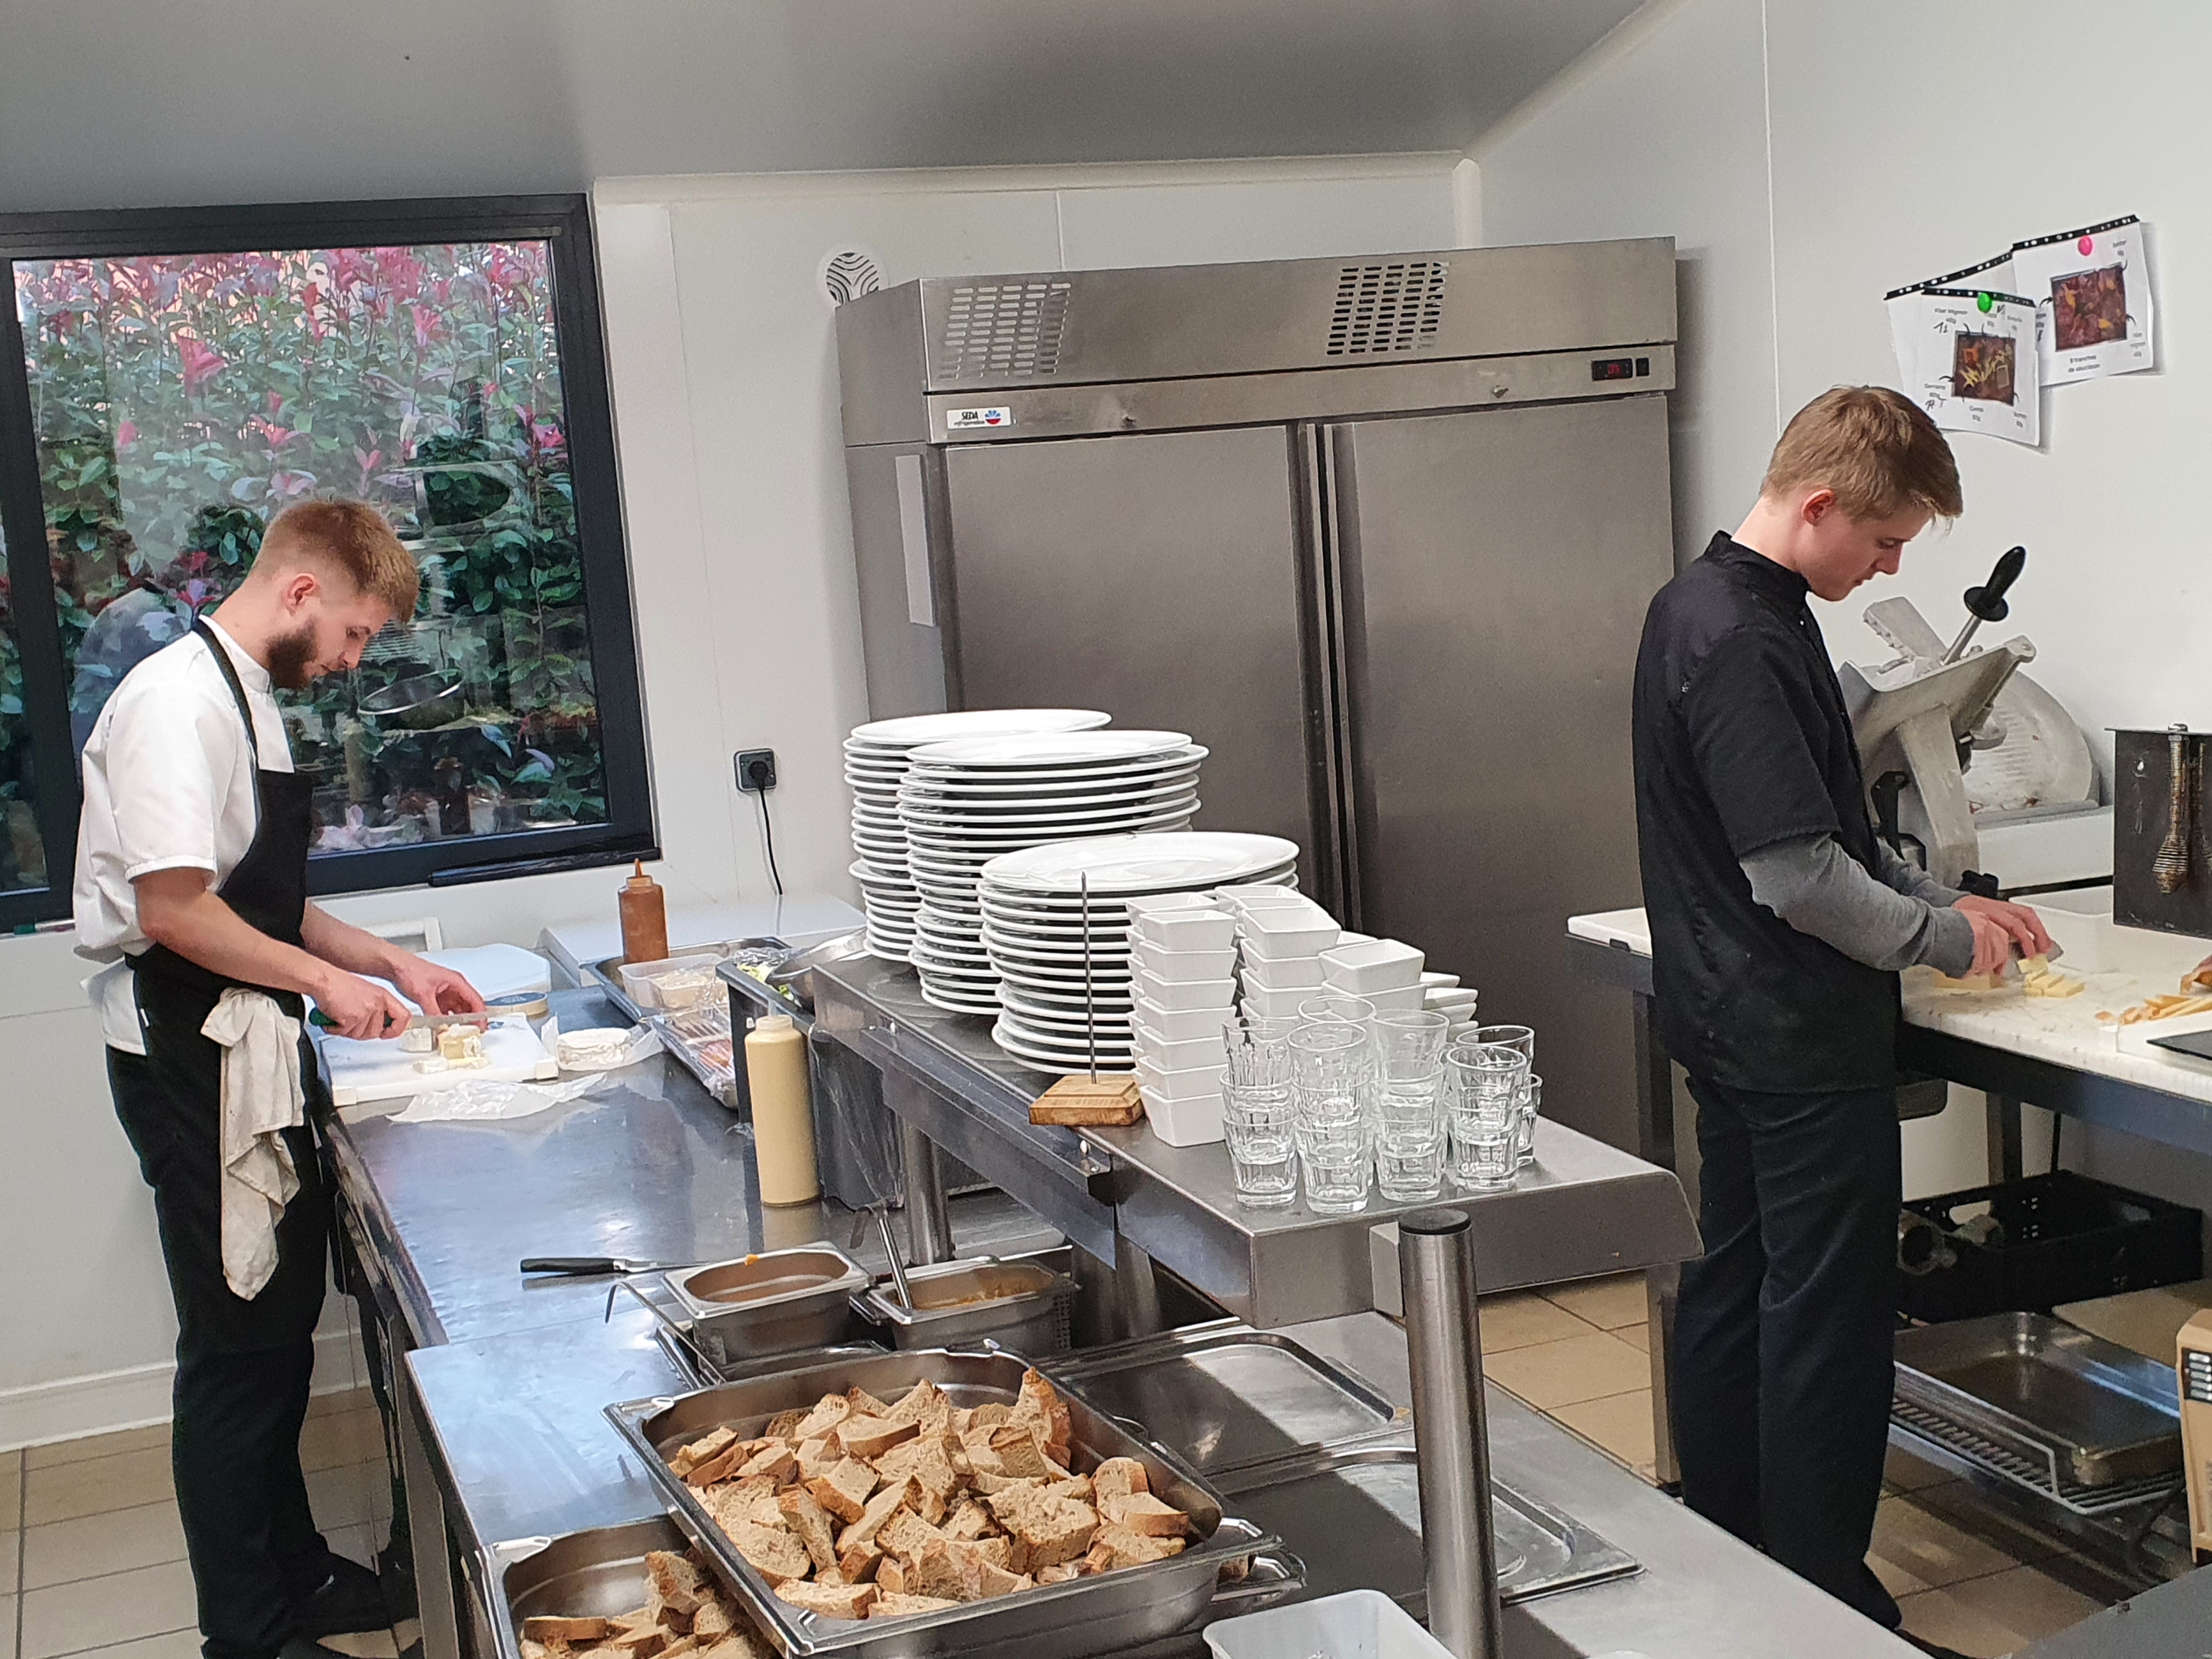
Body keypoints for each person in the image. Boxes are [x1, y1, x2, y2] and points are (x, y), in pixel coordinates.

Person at [1631, 388, 2053, 1644]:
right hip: (1798, 1038)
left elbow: (1840, 842)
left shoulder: (1708, 606)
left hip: (1730, 1021)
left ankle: (1735, 1558)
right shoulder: (1749, 641)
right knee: (1824, 1322)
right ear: (1819, 505)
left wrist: (1951, 900)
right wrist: (1946, 942)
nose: (1890, 567)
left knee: (1738, 1286)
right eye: (1882, 541)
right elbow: (1800, 880)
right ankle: (1825, 1604)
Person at [75, 498, 485, 1659]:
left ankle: (297, 1577)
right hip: (185, 1054)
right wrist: (321, 984)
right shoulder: (174, 704)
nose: (353, 661)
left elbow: (256, 897)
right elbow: (173, 910)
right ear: (303, 591)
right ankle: (246, 1635)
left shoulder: (246, 693)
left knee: (278, 1328)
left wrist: (392, 963)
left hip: (238, 1037)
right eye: (355, 634)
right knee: (235, 1352)